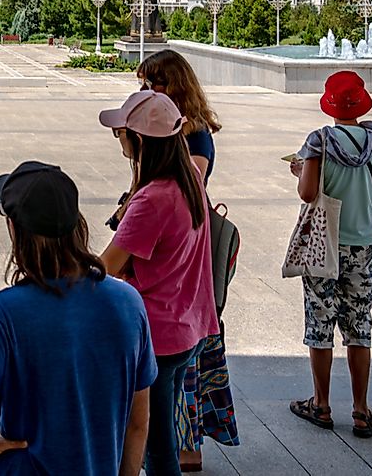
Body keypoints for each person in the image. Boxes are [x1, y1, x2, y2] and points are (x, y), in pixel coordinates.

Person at [0, 161, 157, 475]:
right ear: (77, 223)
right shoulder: (128, 303)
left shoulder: (1, 318)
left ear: (14, 229)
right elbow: (137, 423)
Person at [98, 90, 217, 476]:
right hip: (189, 326)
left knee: (155, 442)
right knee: (161, 430)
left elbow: (107, 267)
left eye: (121, 132)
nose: (119, 139)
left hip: (158, 336)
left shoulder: (153, 198)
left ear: (140, 140)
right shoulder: (190, 181)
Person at [137, 50, 238, 471]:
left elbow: (190, 179)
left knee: (183, 356)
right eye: (143, 84)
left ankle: (186, 445)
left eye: (154, 84)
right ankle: (174, 446)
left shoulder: (194, 135)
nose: (146, 92)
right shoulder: (159, 130)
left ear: (174, 86)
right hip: (174, 237)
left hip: (185, 246)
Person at [287, 70, 372, 440]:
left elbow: (307, 194)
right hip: (364, 243)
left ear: (330, 105)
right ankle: (361, 410)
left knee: (320, 322)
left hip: (325, 242)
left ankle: (320, 404)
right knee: (359, 324)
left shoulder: (319, 142)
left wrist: (301, 170)